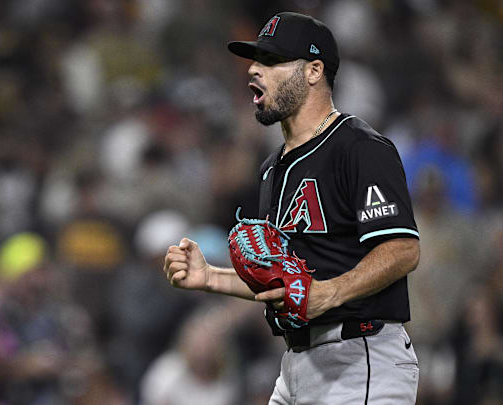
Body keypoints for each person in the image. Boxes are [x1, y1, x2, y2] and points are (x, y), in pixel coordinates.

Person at [163, 12, 421, 404]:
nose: (253, 69)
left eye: (270, 60)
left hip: (360, 356)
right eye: (254, 60)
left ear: (314, 70)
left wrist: (330, 293)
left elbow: (403, 249)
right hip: (297, 364)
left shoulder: (358, 147)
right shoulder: (272, 169)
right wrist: (211, 277)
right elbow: (285, 285)